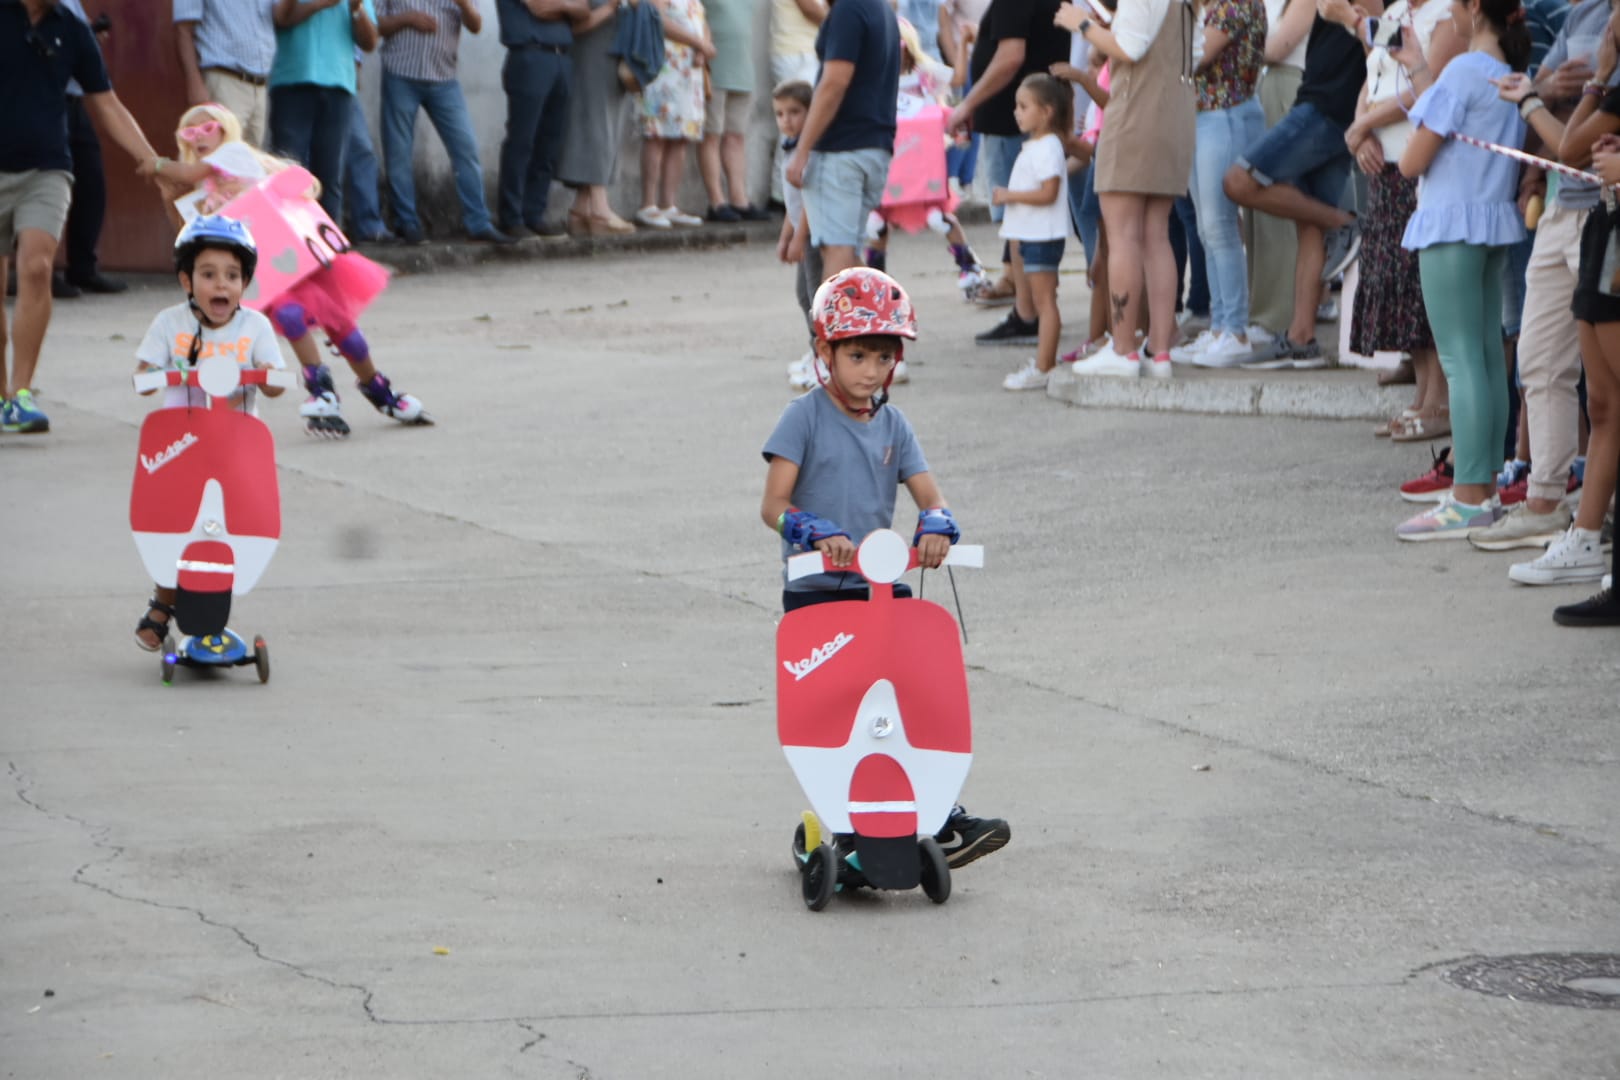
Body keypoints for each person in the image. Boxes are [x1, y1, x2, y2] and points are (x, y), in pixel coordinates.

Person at [759, 266, 1012, 868]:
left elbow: (932, 496)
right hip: (818, 592)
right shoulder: (805, 418)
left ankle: (940, 813)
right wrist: (811, 530)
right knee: (843, 711)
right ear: (826, 350)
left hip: (879, 589)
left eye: (882, 357)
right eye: (857, 355)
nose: (870, 371)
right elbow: (772, 505)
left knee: (913, 695)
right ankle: (841, 818)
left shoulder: (895, 424)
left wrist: (936, 527)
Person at [159, 103, 432, 438]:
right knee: (290, 316)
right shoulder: (202, 193)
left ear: (226, 128)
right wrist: (169, 197)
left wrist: (157, 165)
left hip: (299, 261)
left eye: (208, 127)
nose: (200, 136)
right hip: (265, 273)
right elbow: (188, 232)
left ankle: (378, 388)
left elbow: (283, 188)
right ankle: (321, 390)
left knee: (344, 330)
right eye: (190, 131)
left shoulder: (237, 157)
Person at [1470, 1, 1620, 557]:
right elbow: (1541, 89)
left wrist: (1544, 99)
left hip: (1600, 214)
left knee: (1604, 393)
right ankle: (1545, 503)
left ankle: (1586, 518)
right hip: (1564, 207)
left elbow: (1570, 139)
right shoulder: (1582, 15)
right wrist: (1552, 90)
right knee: (1539, 360)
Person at [1392, 0, 1528, 542]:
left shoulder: (1464, 71)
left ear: (1475, 8)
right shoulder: (1510, 75)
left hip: (1450, 225)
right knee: (1488, 357)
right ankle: (1485, 488)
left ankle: (1469, 496)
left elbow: (1411, 160)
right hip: (1490, 225)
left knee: (1461, 359)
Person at [2, 0, 164, 436]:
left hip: (48, 167)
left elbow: (107, 104)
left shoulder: (73, 29)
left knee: (36, 266)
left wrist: (154, 163)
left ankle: (19, 394)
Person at [1504, 36, 1620, 622]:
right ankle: (1587, 536)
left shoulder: (1607, 84)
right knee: (1603, 405)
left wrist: (1594, 81)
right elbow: (1576, 147)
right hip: (1605, 229)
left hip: (1605, 231)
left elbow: (1571, 146)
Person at [131, 216, 286, 650]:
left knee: (231, 529)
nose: (222, 285)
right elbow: (142, 374)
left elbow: (274, 383)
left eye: (233, 276)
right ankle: (163, 602)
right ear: (187, 280)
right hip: (180, 448)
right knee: (175, 524)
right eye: (209, 274)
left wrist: (271, 375)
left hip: (236, 448)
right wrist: (154, 373)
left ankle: (206, 610)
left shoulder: (254, 327)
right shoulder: (169, 324)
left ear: (245, 283)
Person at [1327, 0, 1452, 424]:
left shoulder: (1445, 14)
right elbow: (1373, 75)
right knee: (1397, 281)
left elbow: (1424, 86)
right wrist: (1360, 130)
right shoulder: (1396, 11)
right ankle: (1422, 394)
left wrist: (1364, 125)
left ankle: (1440, 400)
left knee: (1420, 283)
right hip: (1384, 163)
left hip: (1418, 162)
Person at [1058, 0, 1196, 378]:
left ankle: (1123, 349)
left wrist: (1082, 23)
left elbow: (1129, 48)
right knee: (1156, 236)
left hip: (1135, 115)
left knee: (1123, 237)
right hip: (1174, 117)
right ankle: (1160, 350)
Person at [1222, 9, 1365, 369]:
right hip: (1321, 99)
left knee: (1238, 181)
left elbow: (1377, 36)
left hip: (1328, 107)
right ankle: (1301, 337)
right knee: (1308, 223)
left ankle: (1345, 223)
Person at [952, 0, 1069, 342]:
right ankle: (1033, 307)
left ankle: (1028, 313)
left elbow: (1010, 56)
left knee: (1019, 224)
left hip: (1011, 124)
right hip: (1026, 120)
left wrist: (968, 103)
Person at [856, 18, 989, 303]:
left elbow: (957, 78)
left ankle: (970, 267)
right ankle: (876, 284)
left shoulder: (924, 76)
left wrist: (963, 45)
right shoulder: (873, 81)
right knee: (877, 222)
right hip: (889, 167)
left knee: (938, 218)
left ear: (906, 48)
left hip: (923, 164)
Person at [1167, 0, 1266, 368]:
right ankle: (1221, 324)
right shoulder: (1209, 7)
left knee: (1219, 226)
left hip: (1224, 116)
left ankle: (1235, 330)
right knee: (1209, 230)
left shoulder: (1234, 6)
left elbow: (1194, 56)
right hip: (1204, 115)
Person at [784, 0, 902, 279]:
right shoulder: (880, 8)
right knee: (848, 255)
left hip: (841, 149)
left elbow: (834, 82)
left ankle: (846, 323)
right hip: (873, 146)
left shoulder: (848, 10)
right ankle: (883, 317)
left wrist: (802, 150)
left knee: (837, 254)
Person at [377, 0, 511, 243]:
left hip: (444, 79)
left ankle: (478, 222)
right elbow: (375, 24)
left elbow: (476, 25)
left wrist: (465, 5)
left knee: (465, 148)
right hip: (400, 74)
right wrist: (406, 19)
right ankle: (407, 224)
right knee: (398, 154)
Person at [270, 0, 379, 224]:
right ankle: (289, 249)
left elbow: (370, 42)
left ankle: (328, 252)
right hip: (292, 82)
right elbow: (280, 19)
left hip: (338, 85)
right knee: (287, 174)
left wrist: (357, 9)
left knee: (330, 180)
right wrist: (319, 4)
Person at [997, 74, 1073, 390]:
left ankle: (1044, 366)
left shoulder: (1048, 147)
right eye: (1017, 106)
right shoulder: (1038, 145)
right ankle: (1044, 362)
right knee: (1044, 300)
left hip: (1043, 237)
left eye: (1024, 106)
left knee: (1045, 302)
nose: (1017, 112)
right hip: (1033, 235)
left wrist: (1009, 196)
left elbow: (1049, 192)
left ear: (1047, 111)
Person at [495, 0, 586, 238]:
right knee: (522, 140)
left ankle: (534, 213)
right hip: (529, 54)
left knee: (549, 144)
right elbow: (539, 7)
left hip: (561, 58)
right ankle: (512, 217)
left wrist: (563, 7)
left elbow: (584, 11)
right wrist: (568, 7)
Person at [58, 0, 125, 296]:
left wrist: (90, 36)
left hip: (76, 99)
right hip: (44, 100)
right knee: (41, 182)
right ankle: (36, 272)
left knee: (91, 183)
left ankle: (83, 268)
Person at [557, 0, 637, 235]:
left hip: (613, 56)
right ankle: (600, 208)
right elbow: (571, 29)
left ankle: (580, 210)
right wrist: (611, 8)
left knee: (606, 127)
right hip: (589, 54)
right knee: (596, 126)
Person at [634, 0, 712, 228]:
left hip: (690, 71)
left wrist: (704, 45)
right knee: (657, 134)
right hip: (665, 67)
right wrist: (698, 42)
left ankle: (669, 204)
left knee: (681, 137)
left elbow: (702, 22)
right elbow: (658, 20)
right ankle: (648, 204)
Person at [776, 80, 827, 389]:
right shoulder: (788, 149)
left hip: (814, 234)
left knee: (816, 297)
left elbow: (810, 200)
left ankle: (824, 360)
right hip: (800, 233)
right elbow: (791, 204)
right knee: (803, 295)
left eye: (794, 112)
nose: (787, 120)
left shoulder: (809, 150)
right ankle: (815, 352)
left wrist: (799, 238)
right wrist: (785, 236)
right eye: (780, 114)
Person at [174, 0, 279, 147]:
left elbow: (280, 16)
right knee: (222, 156)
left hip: (260, 84)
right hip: (225, 80)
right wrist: (194, 82)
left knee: (254, 163)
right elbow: (183, 30)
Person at [701, 0, 770, 222]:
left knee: (736, 137)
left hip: (742, 71)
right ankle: (716, 202)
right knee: (711, 136)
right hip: (714, 70)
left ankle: (739, 199)